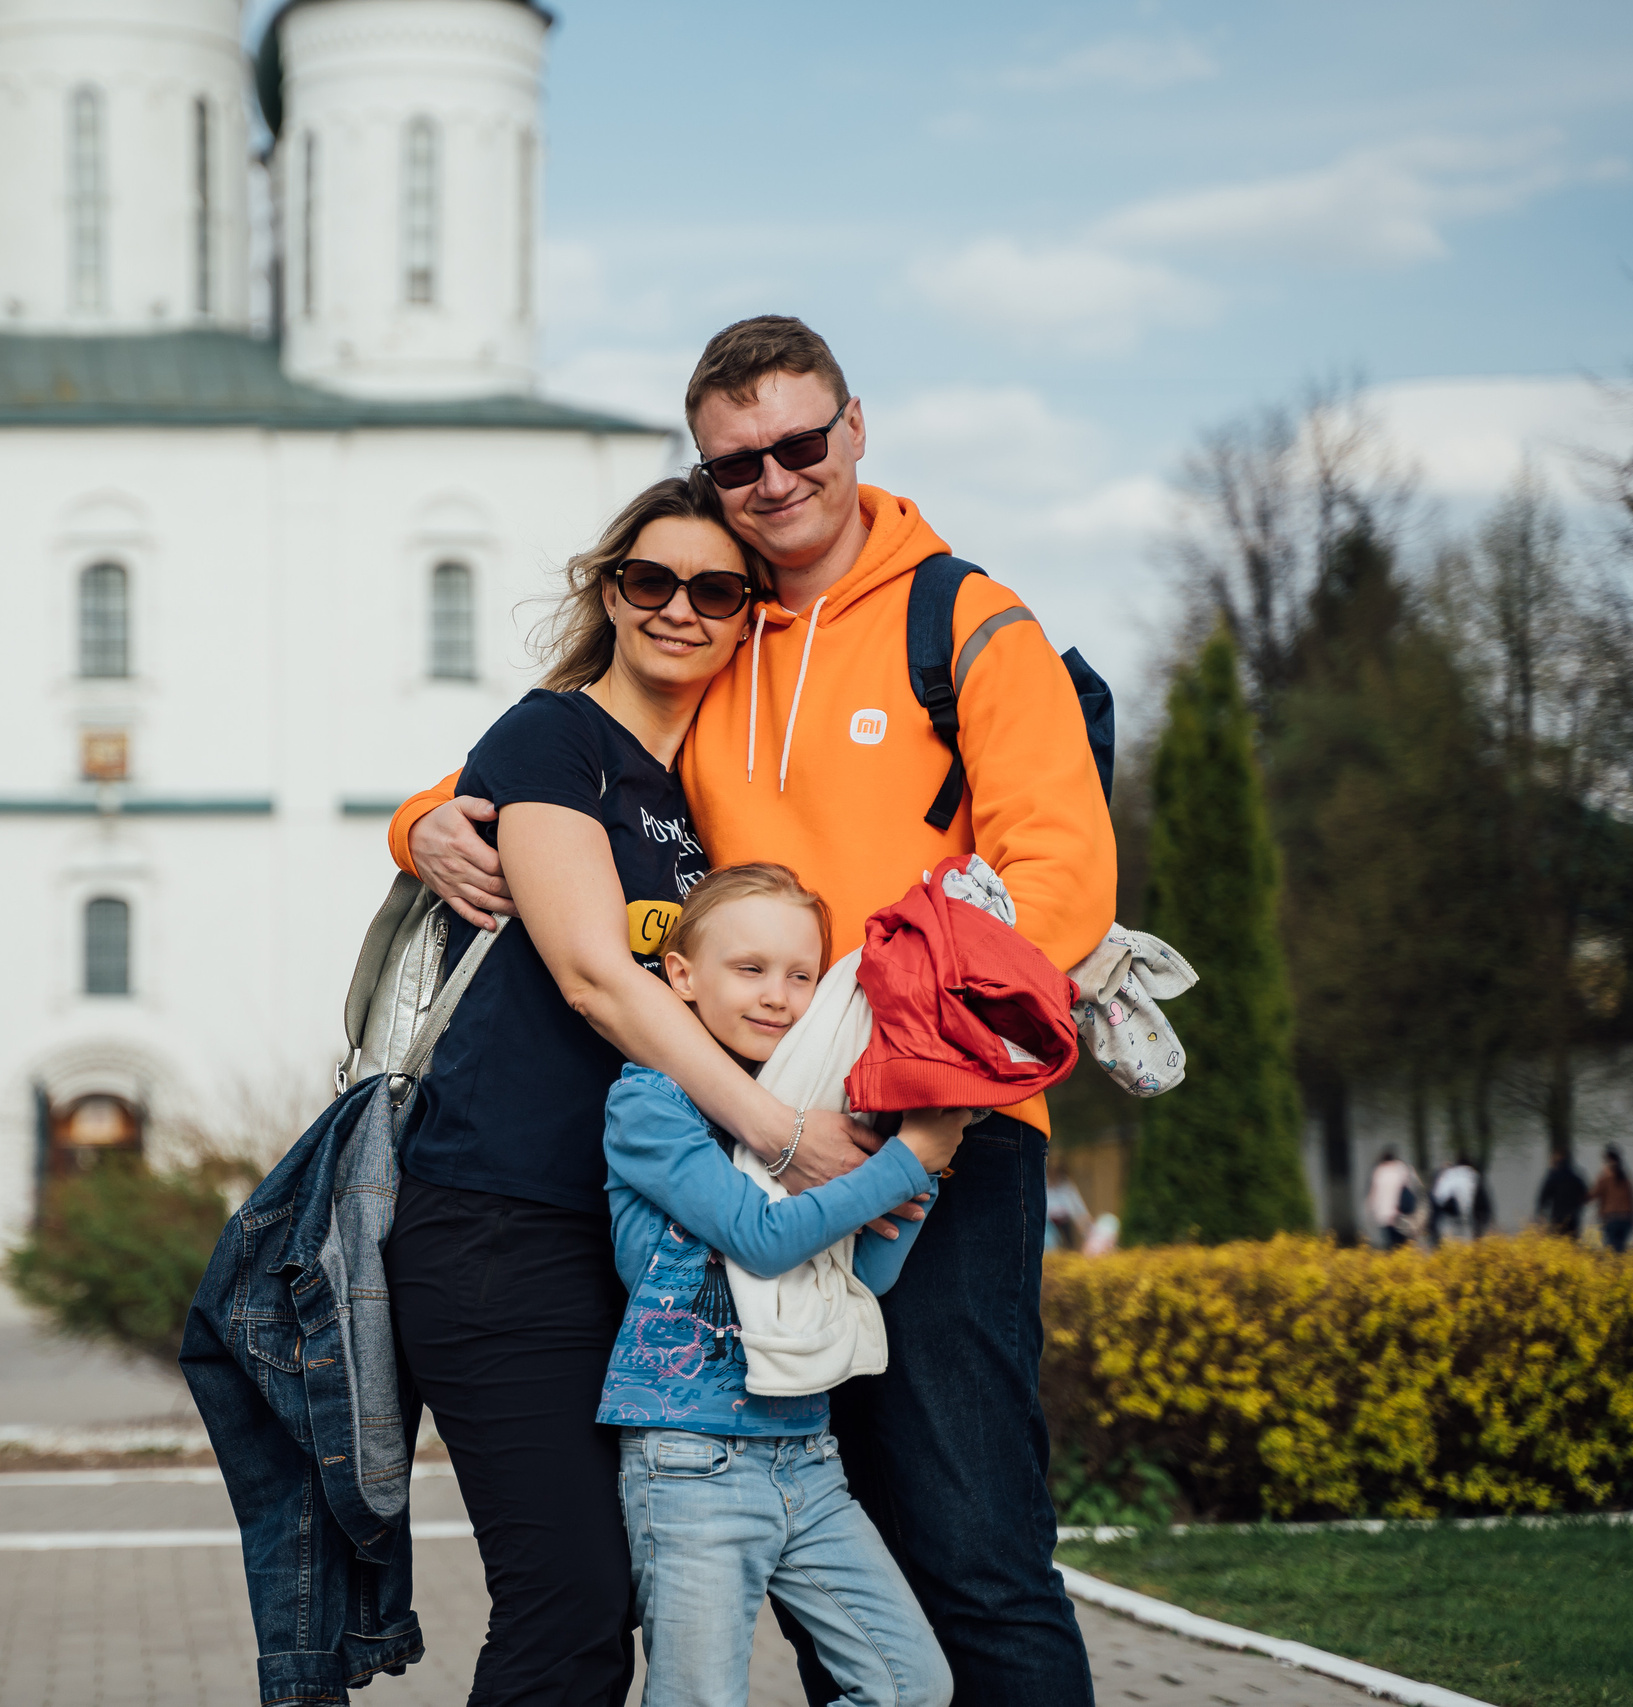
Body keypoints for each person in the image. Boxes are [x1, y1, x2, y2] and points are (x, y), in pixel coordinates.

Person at [393, 316, 1115, 1702]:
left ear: (855, 427)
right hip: (752, 1137)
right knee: (823, 1552)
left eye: (799, 442)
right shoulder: (722, 638)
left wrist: (917, 1096)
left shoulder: (962, 620)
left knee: (970, 1542)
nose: (775, 478)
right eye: (737, 462)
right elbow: (549, 765)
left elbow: (1061, 881)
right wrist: (422, 821)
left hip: (932, 1140)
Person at [602, 864, 960, 1707]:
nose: (779, 996)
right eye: (750, 968)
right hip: (691, 1461)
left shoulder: (813, 1117)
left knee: (913, 1684)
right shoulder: (651, 1103)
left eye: (802, 975)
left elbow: (861, 1276)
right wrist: (909, 1160)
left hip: (808, 1457)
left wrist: (919, 1182)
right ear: (681, 976)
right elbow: (761, 1243)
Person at [1366, 1148, 1420, 1251]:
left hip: (1383, 1215)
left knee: (1391, 1244)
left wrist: (1370, 1209)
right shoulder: (1401, 1168)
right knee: (1405, 1243)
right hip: (1400, 1213)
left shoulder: (1378, 1171)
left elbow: (1373, 1194)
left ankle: (1395, 1262)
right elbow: (1411, 1188)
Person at [1589, 1147, 1633, 1253]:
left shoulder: (1605, 1178)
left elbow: (1592, 1195)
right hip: (1626, 1219)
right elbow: (1632, 1201)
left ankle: (1615, 1268)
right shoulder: (1626, 1179)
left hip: (1610, 1219)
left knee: (1610, 1250)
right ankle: (1621, 1268)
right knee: (1620, 1249)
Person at [1431, 1155, 1487, 1243]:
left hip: (1445, 1209)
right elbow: (1483, 1203)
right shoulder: (1473, 1174)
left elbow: (1436, 1196)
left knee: (1447, 1239)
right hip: (1465, 1212)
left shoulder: (1447, 1173)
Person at [1043, 1156, 1092, 1252]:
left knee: (1069, 1244)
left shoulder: (1066, 1186)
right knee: (1053, 1244)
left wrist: (1084, 1217)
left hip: (1065, 1220)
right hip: (1050, 1222)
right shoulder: (1045, 1187)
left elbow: (1077, 1204)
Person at [1536, 1147, 1587, 1238]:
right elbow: (1584, 1194)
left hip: (1557, 1217)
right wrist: (1578, 1207)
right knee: (1572, 1243)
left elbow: (1544, 1195)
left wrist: (1540, 1212)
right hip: (1573, 1217)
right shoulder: (1575, 1176)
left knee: (1557, 1242)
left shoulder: (1554, 1176)